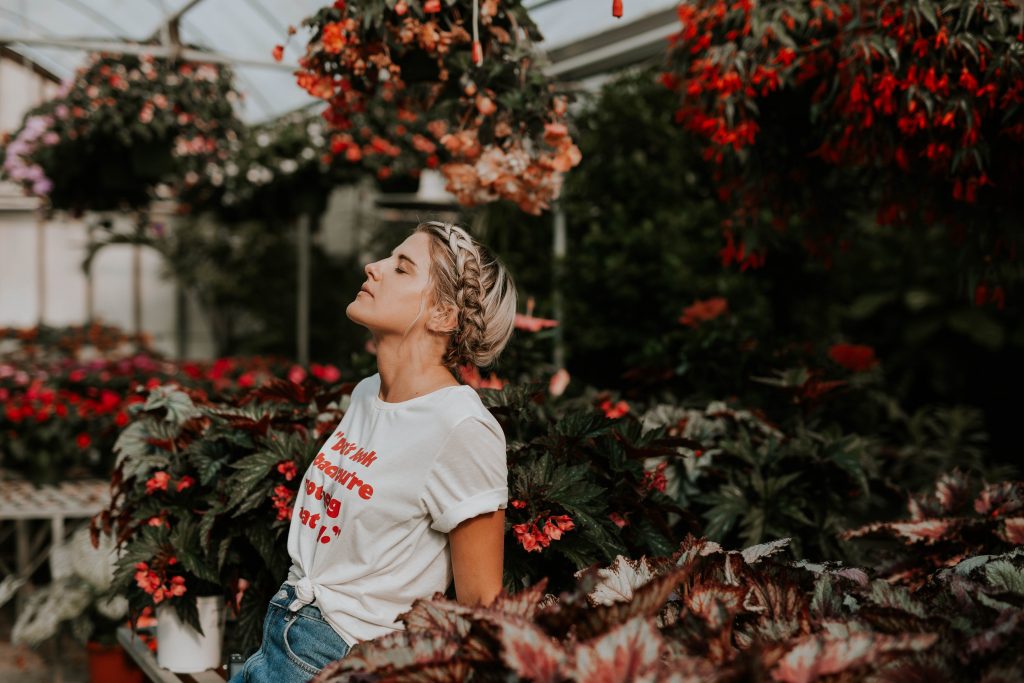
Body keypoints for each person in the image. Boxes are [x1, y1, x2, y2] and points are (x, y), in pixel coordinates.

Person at [229, 221, 517, 683]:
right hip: (283, 634)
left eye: (402, 268)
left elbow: (481, 609)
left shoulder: (461, 426)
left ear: (443, 316)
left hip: (343, 660)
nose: (373, 267)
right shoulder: (367, 394)